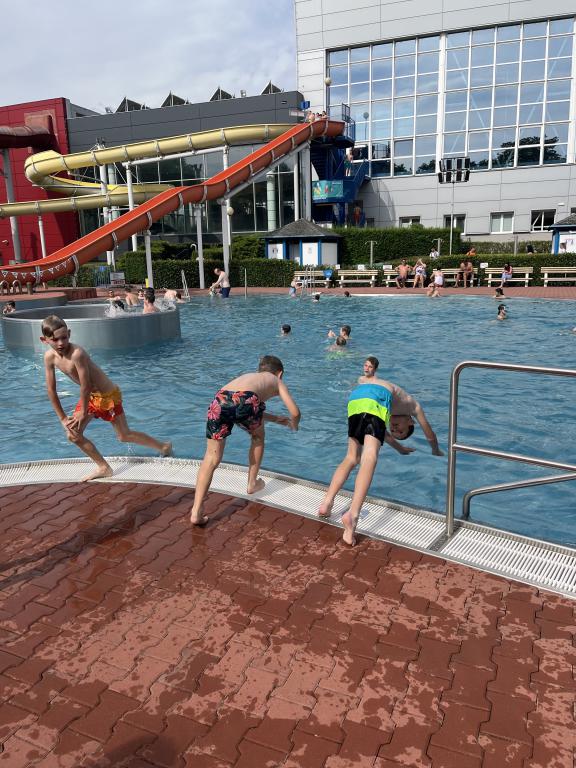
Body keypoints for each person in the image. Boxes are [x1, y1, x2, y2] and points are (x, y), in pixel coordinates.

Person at [318, 359, 443, 545]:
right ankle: (352, 515)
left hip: (356, 399)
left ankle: (326, 503)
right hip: (376, 398)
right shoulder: (414, 407)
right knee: (370, 457)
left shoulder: (387, 409)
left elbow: (382, 433)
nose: (395, 429)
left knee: (352, 457)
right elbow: (429, 433)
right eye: (401, 431)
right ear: (410, 422)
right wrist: (435, 449)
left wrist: (400, 448)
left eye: (395, 431)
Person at [40, 315, 171, 482]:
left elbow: (86, 385)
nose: (60, 343)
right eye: (55, 339)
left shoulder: (77, 354)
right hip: (91, 397)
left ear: (69, 334)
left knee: (124, 435)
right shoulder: (49, 357)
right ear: (44, 340)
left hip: (108, 395)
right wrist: (62, 418)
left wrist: (82, 412)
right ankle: (104, 467)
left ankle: (163, 446)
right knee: (73, 435)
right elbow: (51, 390)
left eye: (64, 337)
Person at [189, 355, 301, 525]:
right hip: (245, 401)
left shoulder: (249, 378)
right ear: (280, 374)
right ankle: (252, 483)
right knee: (258, 437)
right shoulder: (277, 381)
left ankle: (196, 511)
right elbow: (294, 412)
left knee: (211, 458)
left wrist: (276, 419)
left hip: (219, 400)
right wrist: (294, 424)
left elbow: (241, 404)